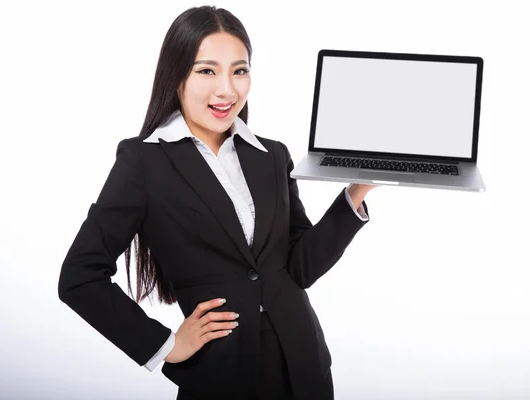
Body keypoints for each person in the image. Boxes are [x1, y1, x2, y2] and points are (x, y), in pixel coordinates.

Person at [57, 5, 377, 400]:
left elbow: (299, 269)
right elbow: (79, 276)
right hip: (220, 377)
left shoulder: (272, 155)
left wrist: (357, 190)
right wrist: (166, 346)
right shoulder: (144, 161)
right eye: (207, 70)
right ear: (176, 75)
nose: (227, 89)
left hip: (305, 368)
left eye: (239, 70)